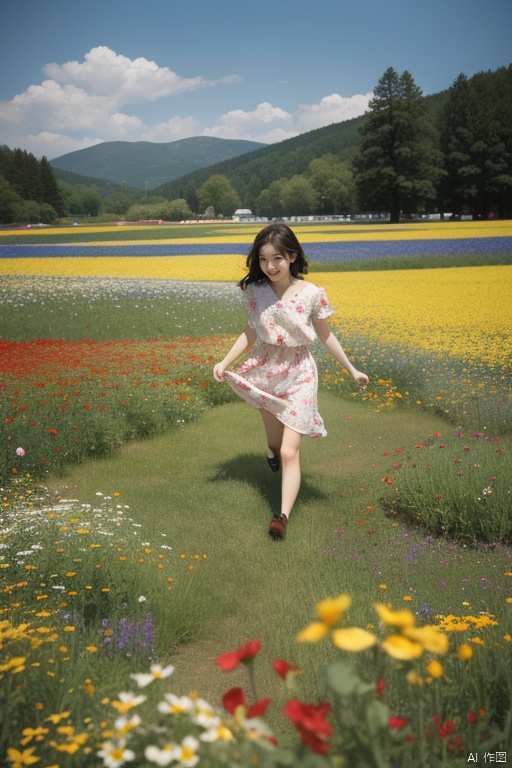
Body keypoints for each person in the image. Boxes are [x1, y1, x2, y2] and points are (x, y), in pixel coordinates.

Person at [213, 223, 368, 541]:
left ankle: (281, 517)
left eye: (277, 259)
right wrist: (225, 362)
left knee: (289, 451)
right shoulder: (256, 292)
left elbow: (325, 335)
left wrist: (352, 369)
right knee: (274, 444)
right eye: (264, 259)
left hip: (300, 373)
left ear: (292, 256)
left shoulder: (311, 293)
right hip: (266, 370)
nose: (270, 266)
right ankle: (270, 454)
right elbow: (251, 331)